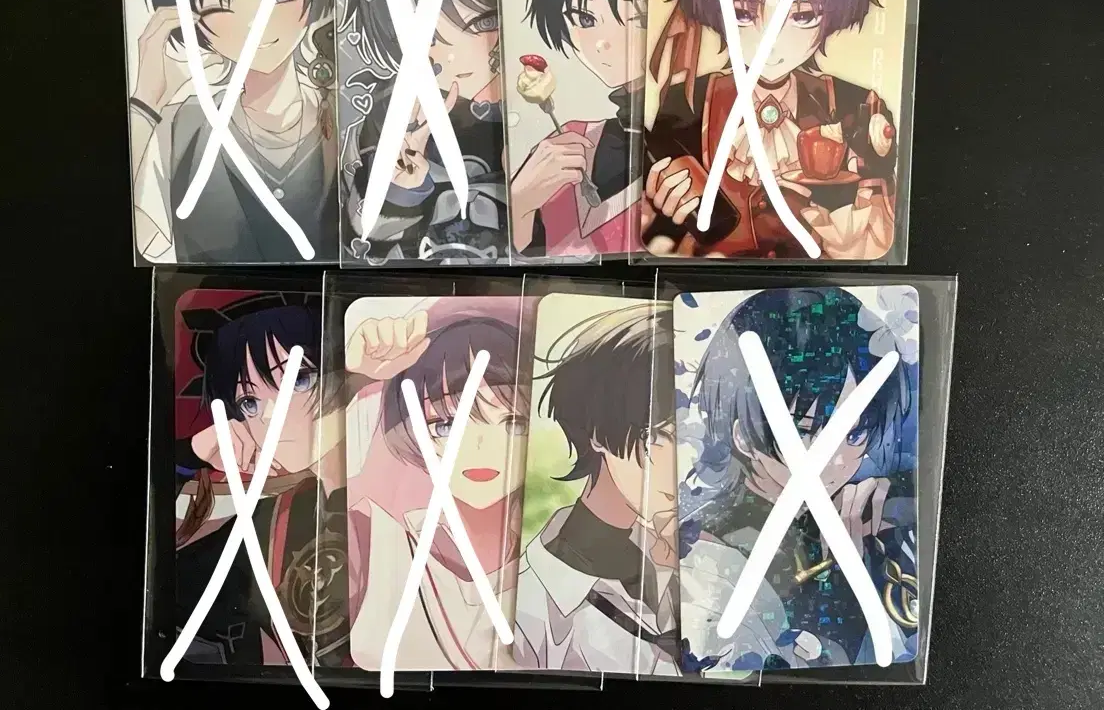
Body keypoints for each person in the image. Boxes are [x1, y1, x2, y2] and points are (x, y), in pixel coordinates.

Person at [643, 0, 898, 260]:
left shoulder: (859, 109)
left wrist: (855, 234)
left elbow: (882, 239)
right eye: (742, 13)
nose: (771, 41)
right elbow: (657, 237)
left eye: (804, 15)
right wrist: (665, 202)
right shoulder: (686, 103)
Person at [678, 287, 920, 670]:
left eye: (855, 434)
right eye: (808, 432)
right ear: (743, 435)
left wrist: (898, 500)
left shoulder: (871, 513)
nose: (836, 460)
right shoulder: (704, 555)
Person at [128, 0, 337, 263]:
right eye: (219, 1)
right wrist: (146, 102)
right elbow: (135, 241)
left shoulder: (349, 116)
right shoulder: (179, 130)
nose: (256, 22)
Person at [338, 0, 507, 264]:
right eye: (428, 36)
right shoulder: (391, 114)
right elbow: (362, 242)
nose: (453, 55)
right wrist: (401, 186)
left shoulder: (549, 101)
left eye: (483, 22)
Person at [343, 300, 529, 670]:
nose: (478, 446)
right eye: (446, 425)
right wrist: (353, 376)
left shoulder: (557, 550)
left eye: (512, 422)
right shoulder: (372, 534)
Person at [172, 292, 351, 668]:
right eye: (249, 403)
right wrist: (191, 456)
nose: (270, 415)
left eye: (299, 379)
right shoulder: (265, 512)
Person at [513, 303, 680, 675]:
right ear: (598, 434)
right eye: (657, 437)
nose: (678, 465)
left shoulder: (698, 563)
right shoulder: (528, 608)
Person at [509, 0, 645, 259]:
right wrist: (520, 202)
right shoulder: (567, 145)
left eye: (637, 16)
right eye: (584, 17)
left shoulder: (712, 137)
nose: (604, 43)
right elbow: (522, 261)